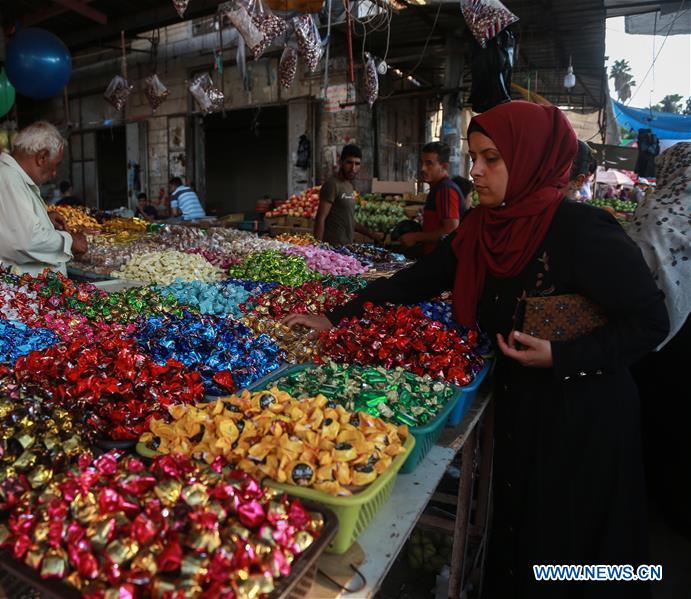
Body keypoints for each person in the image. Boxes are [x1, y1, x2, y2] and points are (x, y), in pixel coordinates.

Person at [285, 101, 668, 598]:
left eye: (493, 159)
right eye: (473, 157)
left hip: (584, 418)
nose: (477, 172)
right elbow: (419, 279)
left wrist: (563, 356)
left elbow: (649, 322)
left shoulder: (583, 233)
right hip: (522, 408)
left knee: (577, 548)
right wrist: (338, 316)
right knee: (527, 542)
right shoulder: (482, 229)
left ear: (531, 159)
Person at [628, 143, 691, 540]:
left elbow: (631, 271)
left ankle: (655, 504)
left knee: (656, 419)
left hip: (661, 342)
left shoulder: (658, 211)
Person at [0, 121, 88, 276]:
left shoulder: (8, 177)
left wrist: (43, 220)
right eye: (56, 165)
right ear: (42, 157)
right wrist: (70, 241)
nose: (54, 173)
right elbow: (25, 241)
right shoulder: (5, 178)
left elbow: (12, 229)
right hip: (16, 293)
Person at [399, 142, 465, 254]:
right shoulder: (437, 188)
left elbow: (451, 230)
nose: (423, 168)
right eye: (422, 163)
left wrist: (416, 237)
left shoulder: (445, 190)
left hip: (443, 263)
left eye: (429, 163)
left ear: (444, 166)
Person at [313, 144, 383, 245]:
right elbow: (320, 218)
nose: (353, 168)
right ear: (341, 162)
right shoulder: (332, 184)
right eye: (349, 163)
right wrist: (317, 248)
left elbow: (348, 219)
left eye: (357, 164)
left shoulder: (349, 186)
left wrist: (371, 234)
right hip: (332, 249)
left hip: (346, 248)